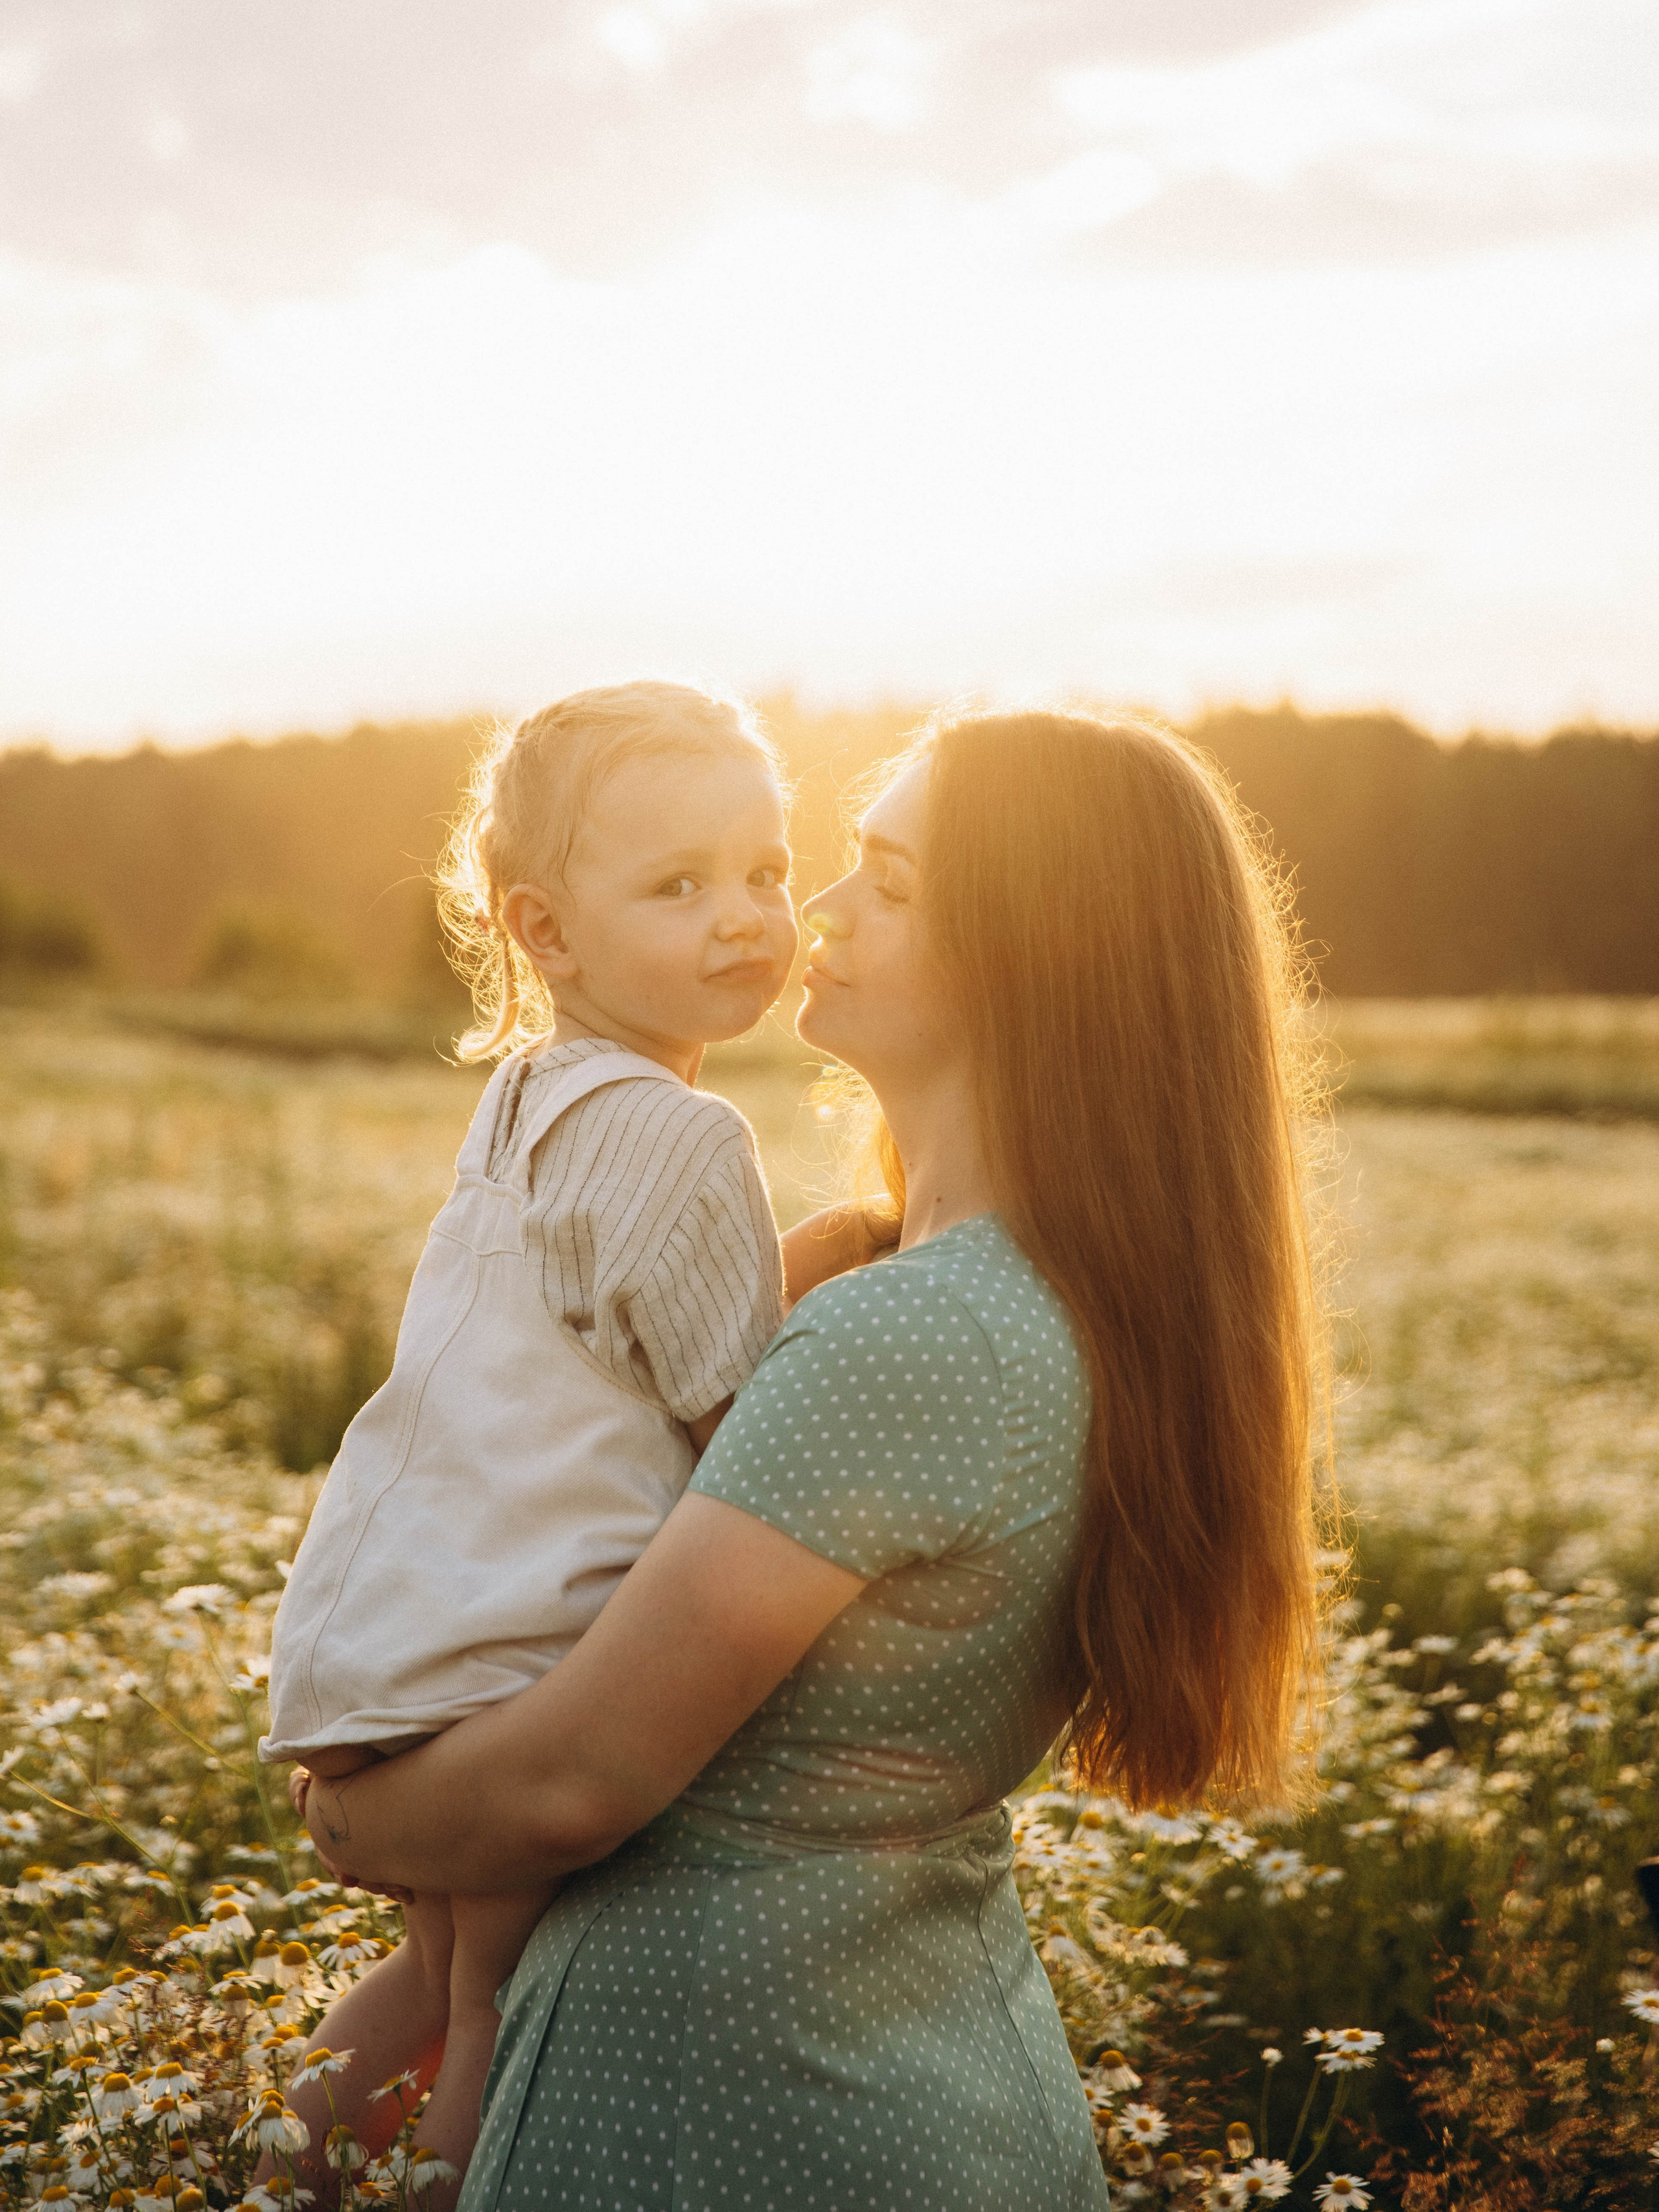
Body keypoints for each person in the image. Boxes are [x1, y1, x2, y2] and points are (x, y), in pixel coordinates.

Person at [296, 709, 1325, 2212]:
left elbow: (573, 1782)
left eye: (885, 880)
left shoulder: (919, 1339)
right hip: (865, 2072)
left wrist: (349, 1814)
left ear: (1033, 954)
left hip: (746, 2109)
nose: (809, 914)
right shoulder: (972, 1294)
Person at [259, 680, 818, 2206]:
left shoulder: (528, 1097)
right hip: (516, 1651)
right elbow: (746, 1420)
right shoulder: (688, 1136)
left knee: (432, 1971)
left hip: (395, 1625)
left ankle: (273, 2181)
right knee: (499, 2008)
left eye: (765, 870)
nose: (746, 917)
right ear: (546, 933)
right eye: (679, 885)